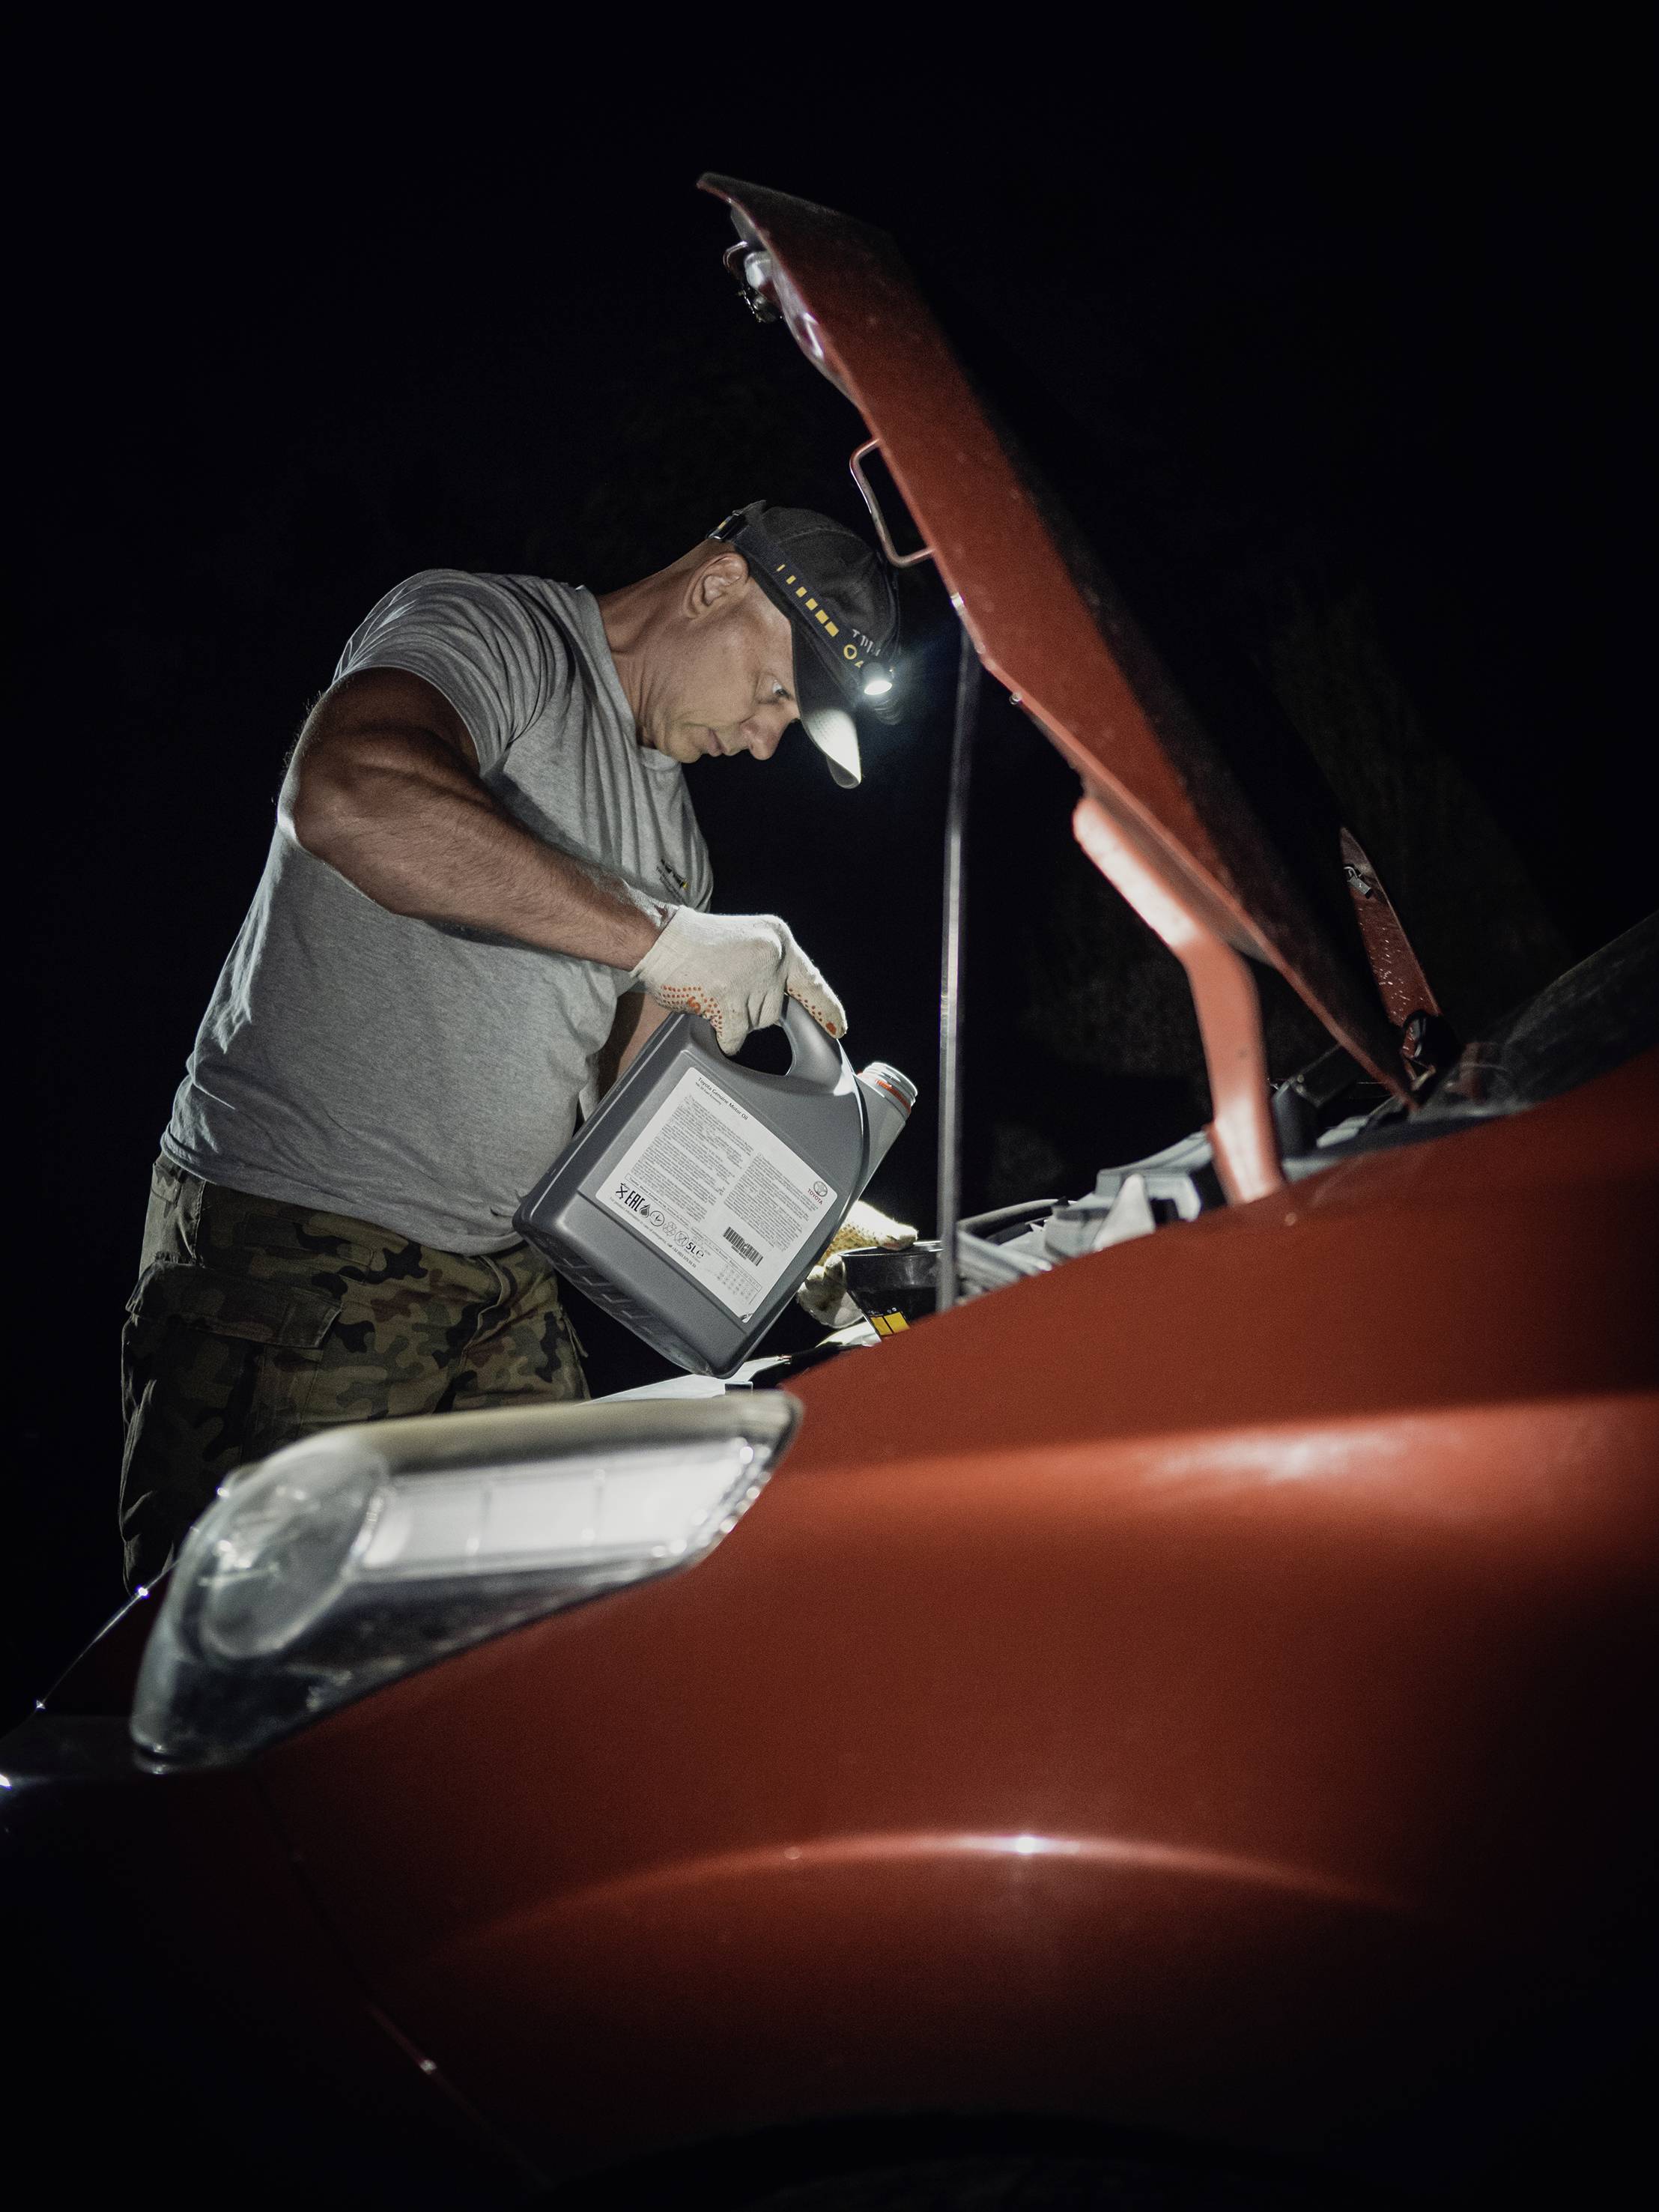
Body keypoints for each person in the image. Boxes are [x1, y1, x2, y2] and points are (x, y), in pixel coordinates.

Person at [119, 502, 902, 1588]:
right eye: (777, 693)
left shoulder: (677, 844)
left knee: (556, 1629)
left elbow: (638, 1118)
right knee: (271, 1663)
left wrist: (812, 1219)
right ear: (718, 586)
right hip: (298, 1248)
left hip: (501, 1281)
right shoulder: (496, 634)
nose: (768, 739)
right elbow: (349, 793)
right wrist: (659, 936)